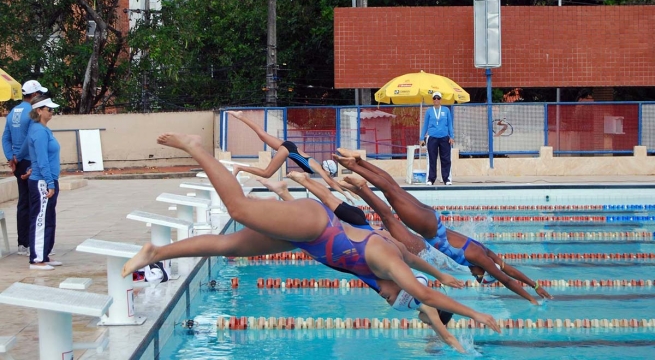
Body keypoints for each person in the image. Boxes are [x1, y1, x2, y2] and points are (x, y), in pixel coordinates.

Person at [122, 133, 502, 342]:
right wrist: (476, 312)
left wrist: (444, 278)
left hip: (312, 241)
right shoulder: (385, 262)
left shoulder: (388, 269)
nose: (386, 299)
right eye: (393, 295)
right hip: (315, 225)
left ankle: (156, 251)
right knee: (238, 210)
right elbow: (426, 295)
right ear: (397, 284)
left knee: (227, 246)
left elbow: (418, 272)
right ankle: (196, 148)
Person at [258, 172, 469, 352]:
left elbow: (413, 259)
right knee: (313, 230)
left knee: (321, 215)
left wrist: (441, 276)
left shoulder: (408, 283)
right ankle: (288, 191)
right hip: (357, 239)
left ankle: (290, 188)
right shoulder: (424, 303)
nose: (429, 324)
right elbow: (445, 334)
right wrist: (463, 350)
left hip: (361, 229)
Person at [333, 148, 553, 305]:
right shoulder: (479, 258)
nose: (476, 277)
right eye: (480, 277)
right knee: (391, 195)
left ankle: (359, 162)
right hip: (428, 227)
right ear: (484, 271)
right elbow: (505, 279)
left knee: (394, 190)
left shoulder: (486, 253)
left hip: (432, 220)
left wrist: (535, 285)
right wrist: (531, 300)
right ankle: (355, 168)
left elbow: (506, 269)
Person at [226, 110, 355, 202]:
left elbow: (333, 182)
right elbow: (331, 183)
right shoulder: (318, 168)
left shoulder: (317, 165)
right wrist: (345, 194)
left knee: (262, 135)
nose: (329, 176)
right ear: (327, 170)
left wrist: (347, 191)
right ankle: (239, 167)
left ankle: (240, 116)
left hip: (290, 146)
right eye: (330, 173)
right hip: (288, 150)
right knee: (266, 173)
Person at [1, 80, 48, 256]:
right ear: (34, 95)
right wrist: (18, 157)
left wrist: (11, 158)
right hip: (28, 161)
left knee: (24, 202)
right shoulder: (32, 113)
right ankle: (29, 243)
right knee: (33, 202)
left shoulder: (13, 111)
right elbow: (31, 139)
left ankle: (23, 243)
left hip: (18, 163)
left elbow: (5, 137)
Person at [23, 97, 61, 270]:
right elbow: (42, 158)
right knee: (40, 219)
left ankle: (45, 253)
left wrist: (32, 168)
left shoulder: (44, 130)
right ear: (39, 111)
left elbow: (37, 157)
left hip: (48, 178)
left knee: (49, 219)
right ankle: (37, 259)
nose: (52, 112)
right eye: (49, 109)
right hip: (43, 182)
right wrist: (49, 183)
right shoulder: (38, 131)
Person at [420, 91, 454, 186]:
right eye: (434, 98)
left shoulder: (446, 110)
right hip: (432, 137)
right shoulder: (429, 111)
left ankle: (446, 179)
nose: (436, 100)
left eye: (438, 98)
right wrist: (421, 137)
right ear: (432, 100)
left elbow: (450, 124)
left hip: (444, 137)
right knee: (431, 159)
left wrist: (452, 136)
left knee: (446, 159)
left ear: (441, 100)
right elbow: (425, 125)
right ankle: (431, 179)